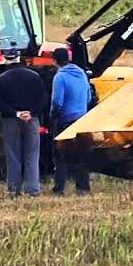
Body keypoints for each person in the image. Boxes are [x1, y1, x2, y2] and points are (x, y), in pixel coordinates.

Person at [0, 58, 47, 197]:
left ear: (7, 60)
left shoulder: (1, 78)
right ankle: (32, 188)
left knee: (13, 155)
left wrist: (15, 113)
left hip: (11, 120)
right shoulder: (34, 76)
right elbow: (43, 99)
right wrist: (31, 112)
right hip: (32, 119)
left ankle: (13, 189)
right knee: (32, 155)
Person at [49, 47, 92, 194]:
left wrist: (53, 116)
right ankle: (83, 186)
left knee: (61, 155)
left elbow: (57, 101)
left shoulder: (59, 77)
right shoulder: (81, 74)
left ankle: (59, 187)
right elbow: (88, 96)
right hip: (82, 118)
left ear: (55, 61)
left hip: (66, 119)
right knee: (80, 154)